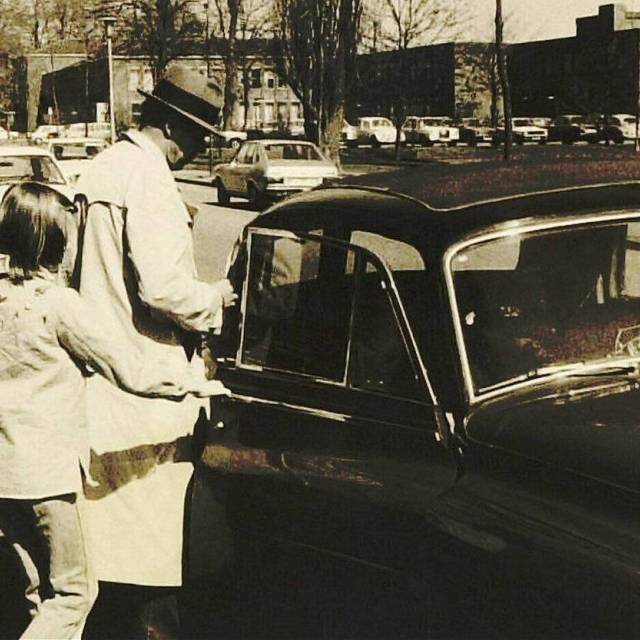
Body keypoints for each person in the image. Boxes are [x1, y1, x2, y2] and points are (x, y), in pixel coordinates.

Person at [0, 182, 228, 639]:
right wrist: (194, 384)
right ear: (51, 242)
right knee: (74, 594)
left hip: (5, 476)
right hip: (48, 479)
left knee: (35, 594)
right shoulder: (58, 307)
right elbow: (127, 369)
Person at [75, 64, 237, 638]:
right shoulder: (149, 179)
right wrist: (217, 298)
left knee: (102, 563)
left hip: (98, 386)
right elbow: (164, 289)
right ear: (171, 125)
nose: (199, 149)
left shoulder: (101, 169)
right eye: (197, 135)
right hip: (148, 395)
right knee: (152, 566)